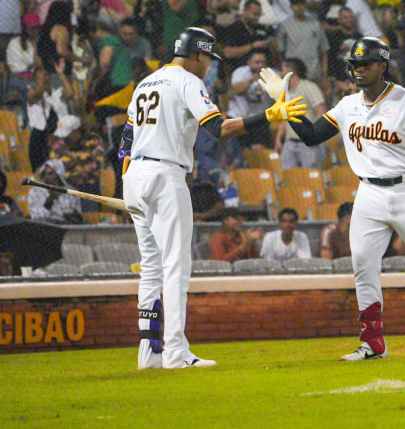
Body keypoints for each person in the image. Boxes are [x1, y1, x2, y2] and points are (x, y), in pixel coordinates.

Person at [280, 36, 405, 359]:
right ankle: (373, 343)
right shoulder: (347, 105)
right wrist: (287, 106)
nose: (359, 70)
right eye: (354, 65)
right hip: (369, 193)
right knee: (362, 264)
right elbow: (312, 135)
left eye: (366, 64)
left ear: (383, 66)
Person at [119, 26, 306, 370]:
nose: (209, 66)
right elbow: (217, 128)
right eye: (208, 58)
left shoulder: (146, 82)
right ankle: (175, 352)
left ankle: (149, 353)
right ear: (198, 54)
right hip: (165, 174)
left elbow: (126, 140)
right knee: (176, 265)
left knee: (150, 267)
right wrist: (268, 115)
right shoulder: (189, 80)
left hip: (135, 176)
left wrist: (130, 180)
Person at [274, 59, 326, 169]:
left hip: (307, 142)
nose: (281, 74)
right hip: (290, 142)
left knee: (311, 177)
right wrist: (278, 139)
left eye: (283, 71)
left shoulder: (309, 87)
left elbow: (321, 111)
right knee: (289, 177)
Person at [28, 159, 82, 224]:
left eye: (50, 174)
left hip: (66, 227)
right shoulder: (35, 191)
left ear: (59, 174)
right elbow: (36, 217)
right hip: (45, 227)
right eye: (44, 174)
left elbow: (78, 215)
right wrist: (51, 199)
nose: (46, 177)